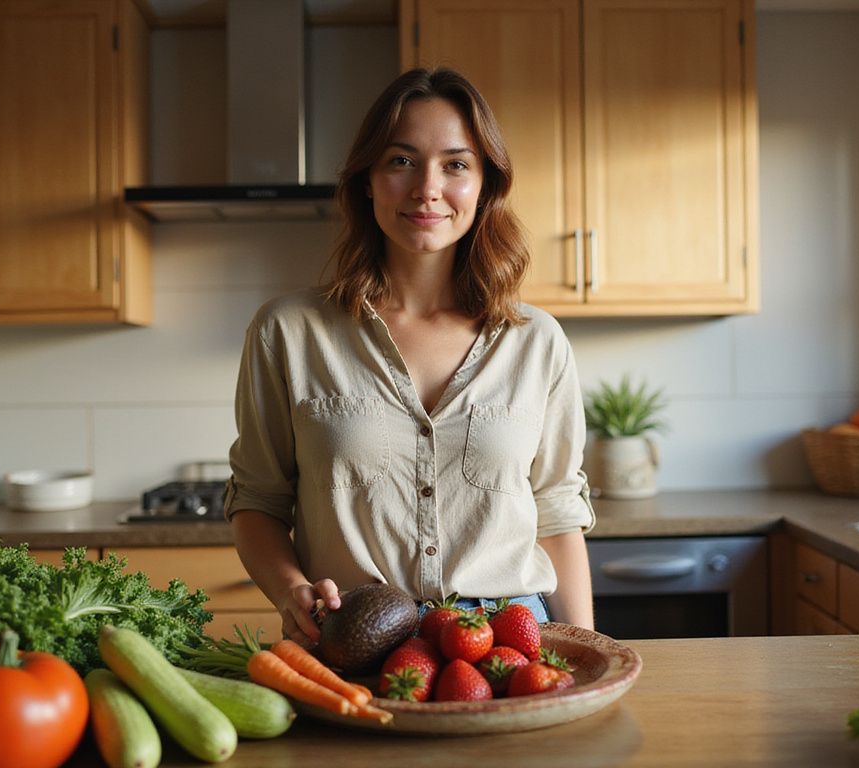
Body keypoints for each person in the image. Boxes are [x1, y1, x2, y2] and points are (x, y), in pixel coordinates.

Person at [224, 68, 595, 647]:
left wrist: (581, 655)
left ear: (484, 186)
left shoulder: (537, 341)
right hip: (351, 640)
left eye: (456, 164)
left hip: (508, 645)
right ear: (367, 181)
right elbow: (257, 502)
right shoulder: (289, 332)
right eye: (401, 160)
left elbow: (557, 513)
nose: (427, 187)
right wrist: (290, 589)